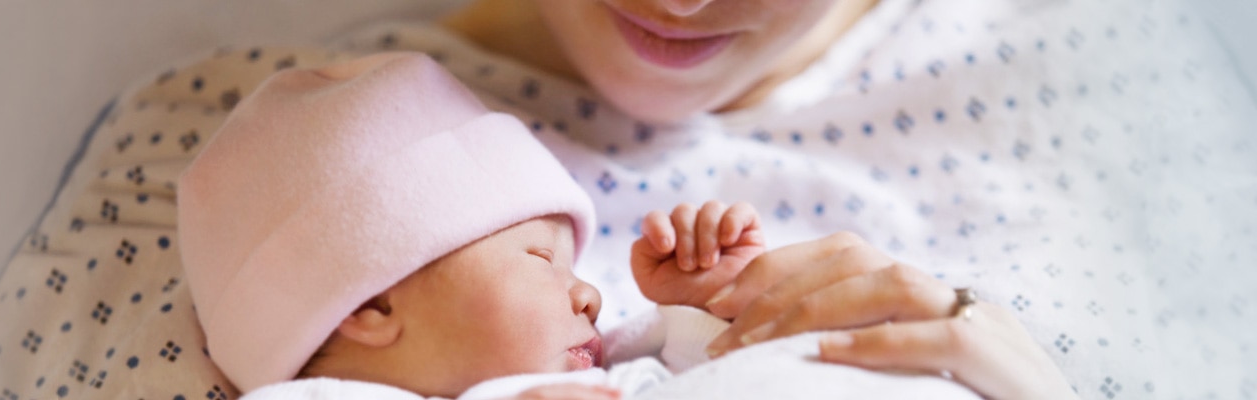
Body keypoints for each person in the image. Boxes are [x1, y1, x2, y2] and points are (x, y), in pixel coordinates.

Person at [177, 53, 981, 400]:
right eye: (539, 259)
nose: (590, 294)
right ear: (370, 305)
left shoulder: (621, 354)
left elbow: (739, 367)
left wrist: (718, 305)